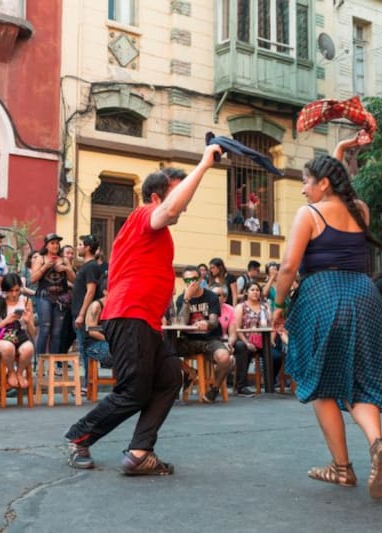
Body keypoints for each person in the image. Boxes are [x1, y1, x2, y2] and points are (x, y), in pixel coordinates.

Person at [271, 153, 382, 501]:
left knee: (322, 384)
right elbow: (343, 189)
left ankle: (342, 468)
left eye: (307, 182)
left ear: (323, 183)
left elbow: (289, 266)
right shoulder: (360, 210)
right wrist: (337, 155)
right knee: (360, 380)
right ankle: (377, 442)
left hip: (323, 297)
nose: (304, 190)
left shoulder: (308, 214)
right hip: (364, 296)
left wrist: (278, 306)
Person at [65, 144, 224, 475]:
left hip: (147, 321)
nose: (182, 205)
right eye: (174, 196)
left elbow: (172, 210)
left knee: (170, 377)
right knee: (134, 391)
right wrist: (204, 163)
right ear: (156, 197)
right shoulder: (142, 216)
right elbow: (168, 210)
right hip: (129, 314)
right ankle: (80, 437)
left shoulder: (159, 230)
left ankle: (139, 452)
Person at [175, 266, 232, 404]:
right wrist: (187, 299)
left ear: (200, 279)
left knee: (225, 358)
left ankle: (214, 389)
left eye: (194, 279)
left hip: (209, 339)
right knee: (162, 350)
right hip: (188, 340)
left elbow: (213, 321)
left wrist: (206, 323)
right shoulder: (182, 299)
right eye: (187, 280)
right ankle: (189, 371)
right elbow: (182, 322)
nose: (191, 283)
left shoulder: (211, 296)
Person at [0, 273, 36, 390]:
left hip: (19, 336)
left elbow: (33, 334)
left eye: (17, 290)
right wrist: (7, 320)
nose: (14, 294)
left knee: (29, 348)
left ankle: (19, 372)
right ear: (4, 290)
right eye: (10, 291)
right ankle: (11, 372)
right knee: (8, 347)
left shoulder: (26, 301)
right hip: (1, 339)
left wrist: (28, 322)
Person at [31, 233, 75, 357]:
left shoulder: (64, 260)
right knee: (45, 329)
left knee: (57, 332)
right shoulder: (40, 258)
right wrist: (45, 267)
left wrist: (67, 269)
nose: (55, 245)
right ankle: (40, 362)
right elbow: (33, 279)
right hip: (44, 296)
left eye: (57, 243)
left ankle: (54, 364)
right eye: (52, 243)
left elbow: (74, 280)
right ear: (46, 245)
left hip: (61, 298)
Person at [230, 282, 271, 397]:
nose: (255, 292)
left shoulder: (265, 306)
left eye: (257, 290)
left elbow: (270, 324)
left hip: (263, 341)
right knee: (242, 348)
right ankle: (241, 386)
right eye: (252, 290)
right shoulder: (241, 307)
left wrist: (271, 340)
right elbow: (237, 329)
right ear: (246, 292)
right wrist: (247, 343)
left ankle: (270, 384)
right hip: (245, 340)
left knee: (275, 355)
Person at [72, 235, 101, 384]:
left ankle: (88, 383)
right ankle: (87, 382)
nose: (78, 247)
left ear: (88, 247)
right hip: (77, 312)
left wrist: (82, 314)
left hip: (83, 314)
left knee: (85, 348)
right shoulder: (86, 266)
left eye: (80, 244)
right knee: (82, 347)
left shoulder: (91, 266)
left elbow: (90, 291)